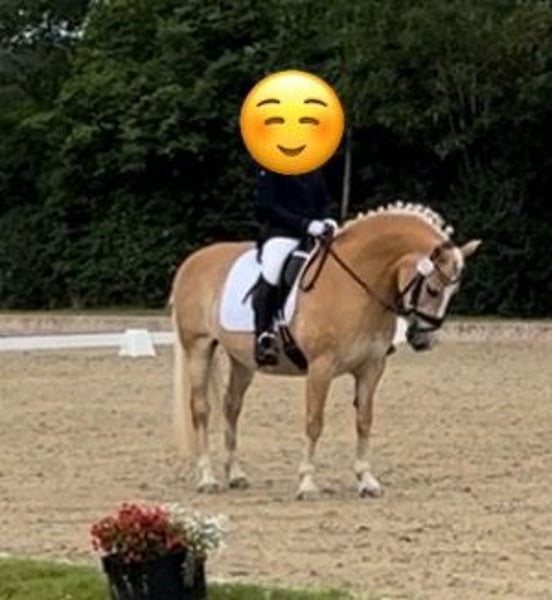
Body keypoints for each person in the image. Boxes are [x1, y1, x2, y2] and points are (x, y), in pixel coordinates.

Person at [252, 165, 337, 366]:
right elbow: (267, 207)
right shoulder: (271, 168)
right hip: (282, 233)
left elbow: (325, 200)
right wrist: (304, 225)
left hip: (316, 235)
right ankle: (264, 335)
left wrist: (328, 219)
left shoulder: (313, 168)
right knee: (273, 271)